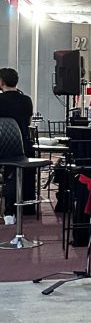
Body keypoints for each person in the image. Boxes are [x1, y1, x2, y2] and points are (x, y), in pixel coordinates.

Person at [0, 68, 34, 222]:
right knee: (14, 173)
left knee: (9, 174)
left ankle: (8, 212)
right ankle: (19, 209)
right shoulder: (26, 100)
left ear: (1, 82)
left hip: (2, 147)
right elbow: (28, 123)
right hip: (23, 147)